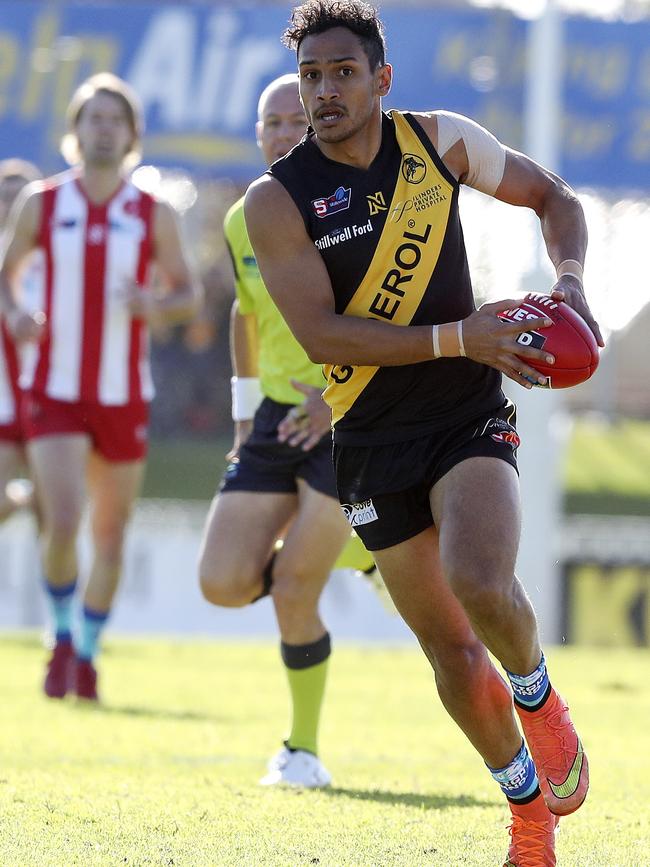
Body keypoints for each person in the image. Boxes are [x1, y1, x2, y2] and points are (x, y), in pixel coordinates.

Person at [244, 2, 604, 863]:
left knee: (480, 579)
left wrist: (573, 280)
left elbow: (553, 197)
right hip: (368, 440)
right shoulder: (276, 200)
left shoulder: (437, 144)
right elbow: (324, 336)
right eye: (310, 77)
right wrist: (462, 332)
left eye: (341, 73)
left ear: (381, 79)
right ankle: (526, 806)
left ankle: (542, 699)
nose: (324, 93)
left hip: (466, 410)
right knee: (448, 652)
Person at [0, 73, 202, 701]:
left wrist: (154, 304)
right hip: (53, 390)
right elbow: (7, 280)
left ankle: (87, 653)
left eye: (117, 119)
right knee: (63, 520)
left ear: (132, 135)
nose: (105, 129)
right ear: (76, 130)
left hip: (122, 394)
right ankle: (61, 640)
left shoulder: (152, 212)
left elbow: (189, 295)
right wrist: (15, 315)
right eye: (94, 118)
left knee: (110, 535)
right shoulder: (42, 201)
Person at [199, 73, 363, 788]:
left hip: (347, 415)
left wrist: (333, 400)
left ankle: (301, 750)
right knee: (222, 581)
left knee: (296, 588)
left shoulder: (353, 209)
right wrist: (243, 415)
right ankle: (365, 556)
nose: (280, 132)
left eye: (293, 121)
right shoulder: (242, 218)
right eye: (269, 122)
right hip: (271, 418)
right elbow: (243, 313)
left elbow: (386, 318)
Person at [0, 158, 42, 523]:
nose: (12, 204)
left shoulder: (54, 255)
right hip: (5, 402)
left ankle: (56, 583)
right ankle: (24, 499)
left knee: (55, 516)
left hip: (49, 395)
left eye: (20, 196)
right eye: (4, 196)